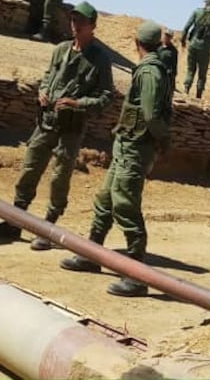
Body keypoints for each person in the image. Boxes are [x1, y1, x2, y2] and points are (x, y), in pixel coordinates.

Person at [0, 1, 115, 248]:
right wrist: (42, 91)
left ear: (93, 26)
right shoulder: (61, 50)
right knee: (29, 170)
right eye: (74, 20)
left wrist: (78, 103)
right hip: (46, 122)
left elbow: (106, 97)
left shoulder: (99, 59)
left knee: (59, 178)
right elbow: (47, 77)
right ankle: (14, 221)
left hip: (71, 128)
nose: (75, 25)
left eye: (82, 22)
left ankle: (49, 229)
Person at [60, 20, 172, 297]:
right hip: (127, 144)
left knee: (126, 205)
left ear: (137, 44)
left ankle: (136, 274)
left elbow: (151, 115)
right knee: (106, 199)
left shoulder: (150, 72)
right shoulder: (152, 69)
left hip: (136, 147)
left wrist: (163, 139)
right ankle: (91, 254)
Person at [180, 0, 210, 98]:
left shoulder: (197, 12)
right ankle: (198, 95)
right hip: (205, 48)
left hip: (193, 45)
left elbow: (187, 27)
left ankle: (186, 90)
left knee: (190, 69)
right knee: (202, 73)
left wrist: (183, 40)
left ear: (207, 3)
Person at [158, 27, 179, 97]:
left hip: (166, 76)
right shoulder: (157, 46)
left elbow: (174, 66)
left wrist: (172, 82)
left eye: (169, 36)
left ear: (171, 38)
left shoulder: (173, 51)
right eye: (166, 35)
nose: (166, 37)